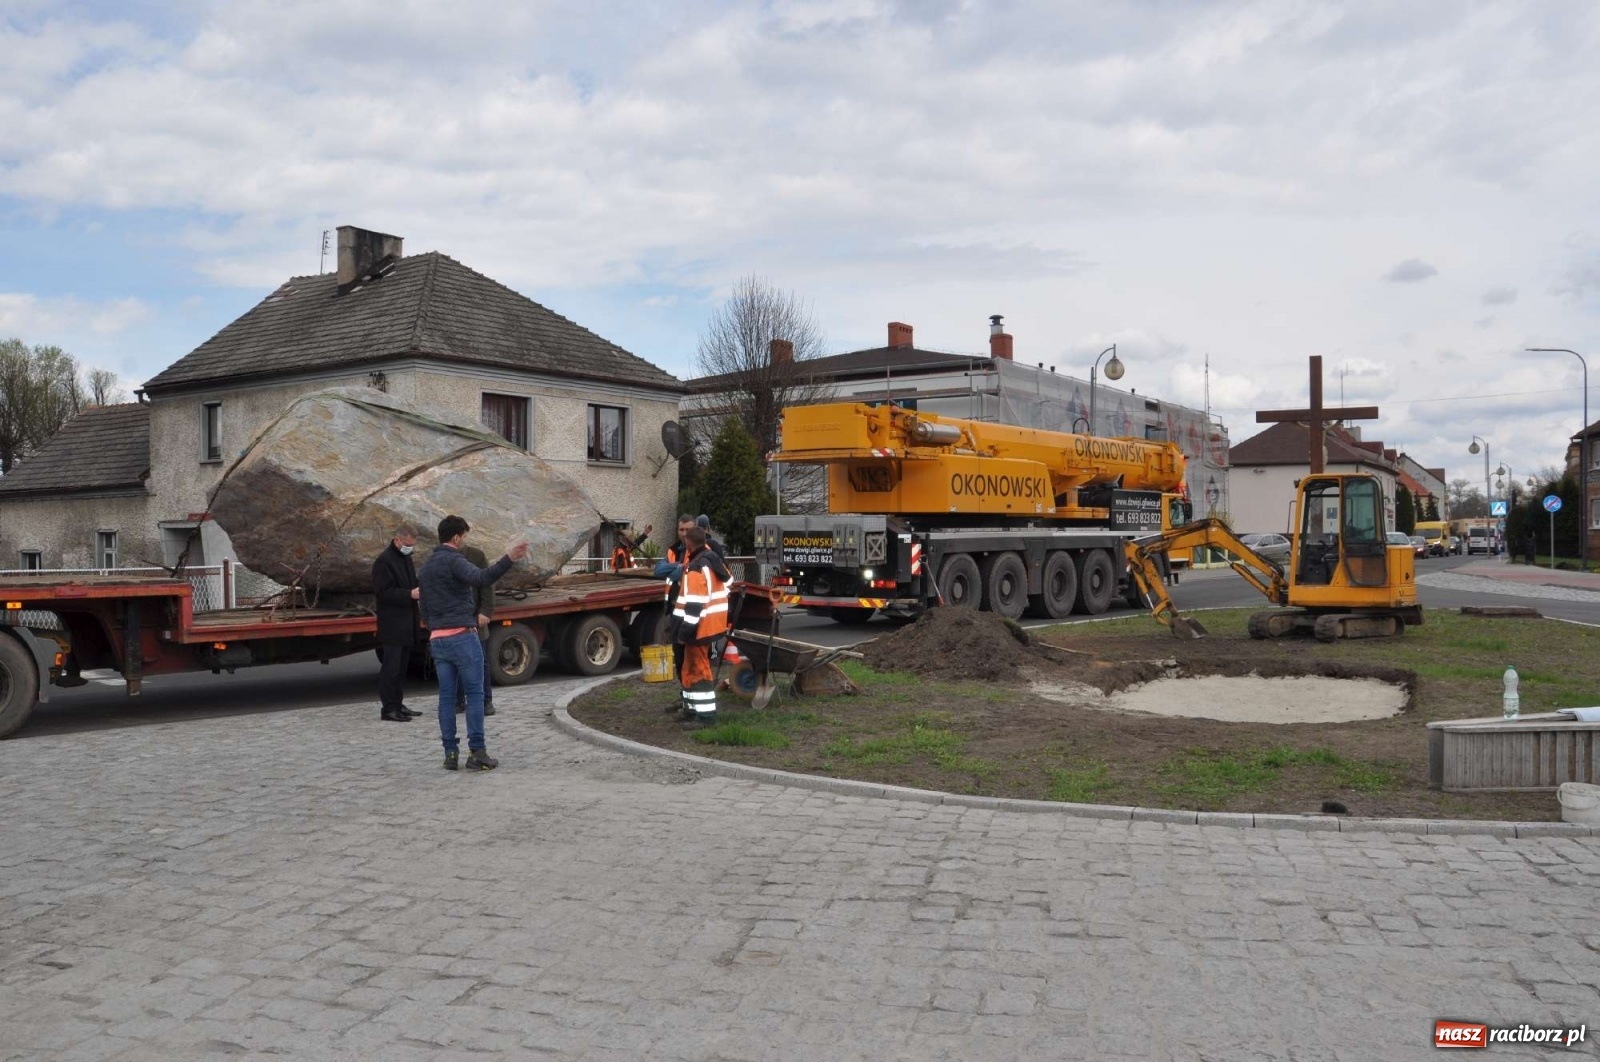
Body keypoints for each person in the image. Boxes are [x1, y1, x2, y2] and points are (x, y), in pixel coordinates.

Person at [419, 515, 528, 770]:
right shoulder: (455, 560)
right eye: (465, 536)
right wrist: (509, 557)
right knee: (475, 695)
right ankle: (477, 753)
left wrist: (436, 624)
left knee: (446, 698)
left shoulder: (426, 567)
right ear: (456, 537)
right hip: (463, 637)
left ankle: (450, 754)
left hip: (438, 640)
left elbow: (423, 609)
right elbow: (482, 578)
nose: (465, 541)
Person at [672, 526, 732, 725]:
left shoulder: (697, 567)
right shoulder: (712, 560)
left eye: (685, 541)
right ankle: (690, 709)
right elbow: (727, 582)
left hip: (698, 628)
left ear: (689, 542)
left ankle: (706, 716)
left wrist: (684, 632)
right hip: (711, 624)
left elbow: (695, 606)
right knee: (689, 669)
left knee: (700, 670)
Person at [371, 524, 422, 722]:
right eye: (408, 544)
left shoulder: (405, 557)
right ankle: (389, 709)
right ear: (398, 540)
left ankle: (398, 704)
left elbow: (412, 583)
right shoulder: (384, 561)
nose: (410, 547)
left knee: (402, 668)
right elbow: (383, 593)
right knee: (391, 669)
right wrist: (409, 594)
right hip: (393, 624)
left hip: (407, 622)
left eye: (412, 545)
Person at [654, 514, 698, 708]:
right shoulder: (674, 550)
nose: (684, 534)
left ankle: (692, 699)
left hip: (692, 612)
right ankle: (685, 697)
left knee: (693, 660)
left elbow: (686, 572)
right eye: (681, 530)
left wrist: (677, 570)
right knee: (679, 659)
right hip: (675, 610)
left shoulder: (701, 551)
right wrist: (678, 567)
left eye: (688, 530)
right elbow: (658, 571)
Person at [453, 543, 497, 717]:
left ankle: (486, 701)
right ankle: (458, 701)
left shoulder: (476, 555)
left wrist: (486, 610)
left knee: (481, 661)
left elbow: (487, 584)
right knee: (457, 662)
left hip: (475, 617)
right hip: (454, 619)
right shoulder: (444, 556)